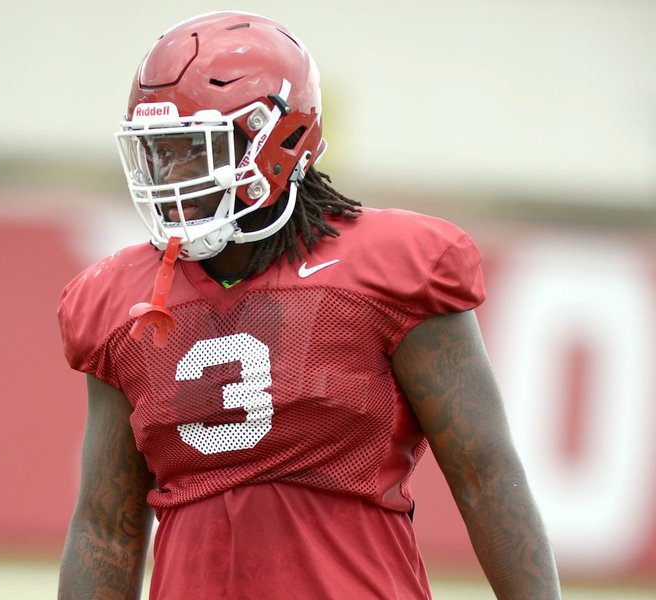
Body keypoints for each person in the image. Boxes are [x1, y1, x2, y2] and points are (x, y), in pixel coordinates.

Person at [56, 10, 562, 600]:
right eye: (160, 154)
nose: (173, 175)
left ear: (277, 140)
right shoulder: (122, 302)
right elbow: (106, 528)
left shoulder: (391, 269)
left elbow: (485, 474)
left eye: (194, 150)